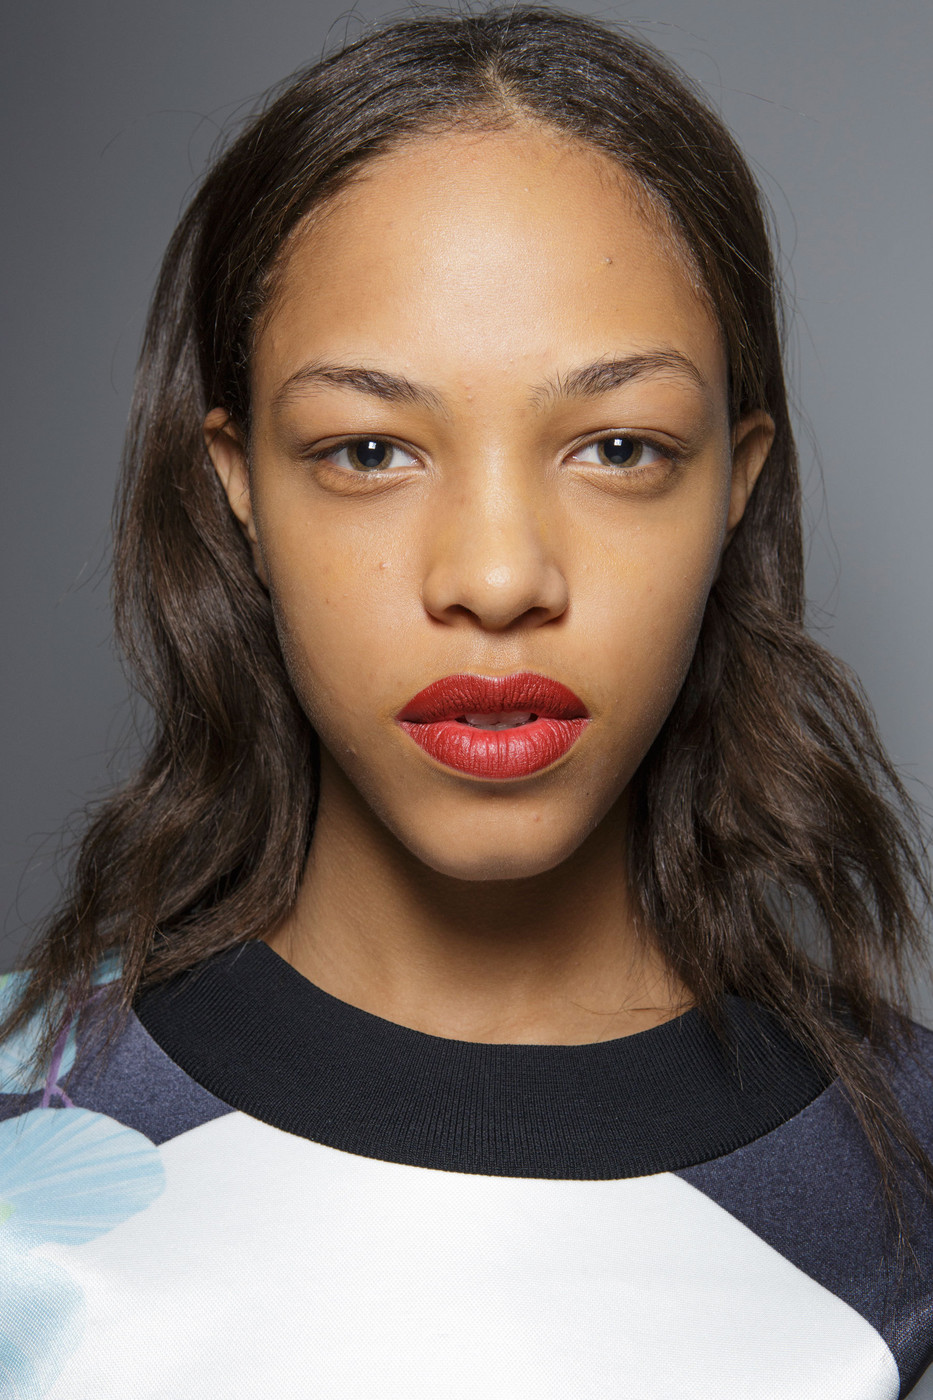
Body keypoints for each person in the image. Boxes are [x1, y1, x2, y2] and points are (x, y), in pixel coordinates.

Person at [1, 6, 930, 1395]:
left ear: (734, 482)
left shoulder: (910, 1178)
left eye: (618, 447)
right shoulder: (19, 1142)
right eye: (369, 450)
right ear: (239, 482)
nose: (496, 579)